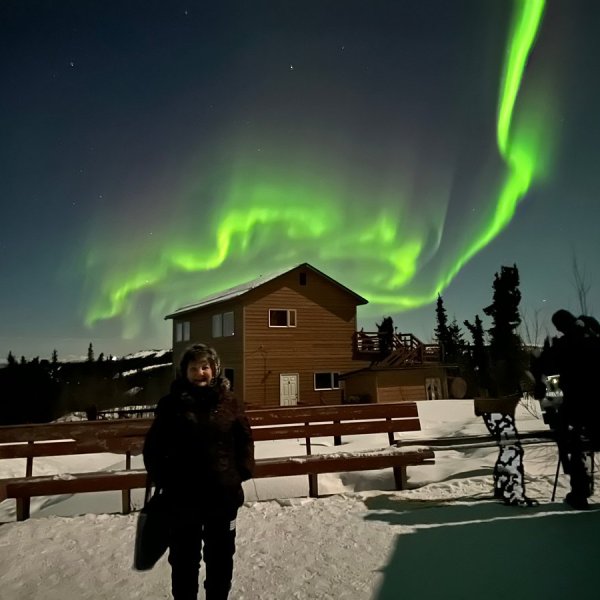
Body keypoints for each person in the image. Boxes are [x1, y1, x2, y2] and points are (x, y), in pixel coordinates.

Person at [143, 343, 255, 600]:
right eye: (193, 367)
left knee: (221, 555)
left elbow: (245, 439)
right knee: (184, 558)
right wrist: (165, 479)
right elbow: (154, 447)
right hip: (182, 498)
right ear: (184, 372)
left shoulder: (231, 402)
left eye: (204, 367)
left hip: (223, 496)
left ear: (214, 369)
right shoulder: (171, 405)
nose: (199, 372)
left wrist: (241, 471)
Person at [532, 309, 600, 510]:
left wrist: (553, 397)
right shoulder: (593, 339)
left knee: (573, 444)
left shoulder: (562, 347)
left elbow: (552, 380)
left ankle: (580, 493)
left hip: (577, 410)